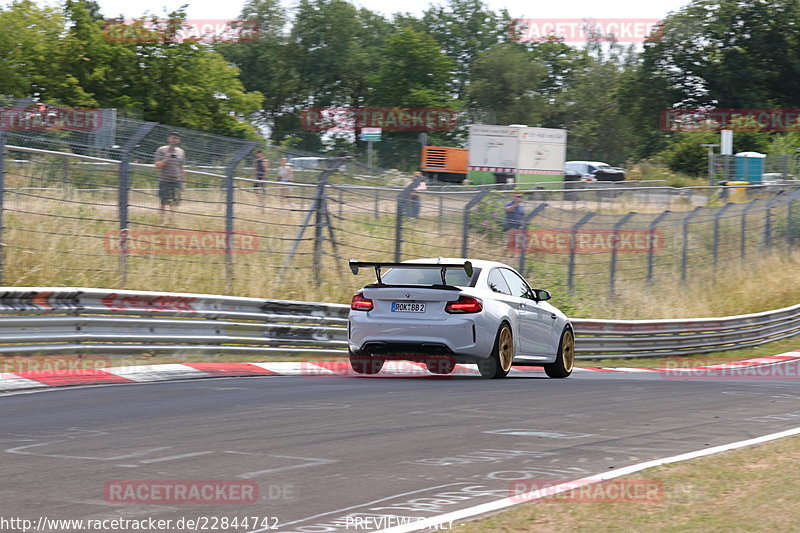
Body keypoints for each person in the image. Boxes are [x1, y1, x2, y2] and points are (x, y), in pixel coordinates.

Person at [154, 132, 185, 222]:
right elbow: (157, 166)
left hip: (176, 181)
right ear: (169, 138)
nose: (174, 139)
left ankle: (171, 221)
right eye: (172, 138)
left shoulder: (181, 152)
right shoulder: (161, 150)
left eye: (176, 138)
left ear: (178, 140)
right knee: (163, 202)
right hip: (164, 180)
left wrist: (183, 182)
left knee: (174, 203)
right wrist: (166, 159)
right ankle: (161, 221)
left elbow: (181, 168)